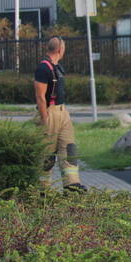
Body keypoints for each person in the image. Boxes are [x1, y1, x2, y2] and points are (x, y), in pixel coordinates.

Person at [34, 36, 87, 192]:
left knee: (69, 147)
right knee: (47, 153)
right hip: (49, 113)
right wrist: (44, 119)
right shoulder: (43, 68)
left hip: (62, 111)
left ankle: (72, 184)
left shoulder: (57, 67)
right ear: (60, 49)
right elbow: (40, 97)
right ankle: (42, 189)